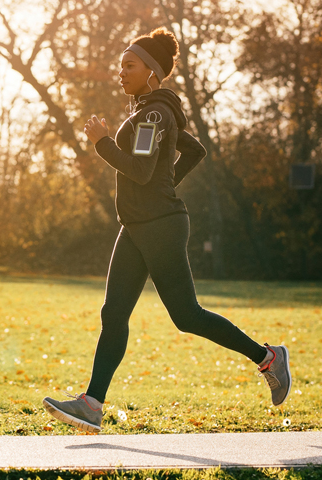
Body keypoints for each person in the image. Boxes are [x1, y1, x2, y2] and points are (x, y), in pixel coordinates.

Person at [42, 27, 291, 434]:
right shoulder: (150, 112)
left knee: (186, 315)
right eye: (121, 64)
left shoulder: (154, 114)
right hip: (139, 225)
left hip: (159, 226)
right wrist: (165, 181)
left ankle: (269, 358)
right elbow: (193, 150)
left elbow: (140, 169)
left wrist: (103, 142)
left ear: (151, 72)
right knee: (114, 313)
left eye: (130, 65)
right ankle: (91, 404)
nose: (121, 71)